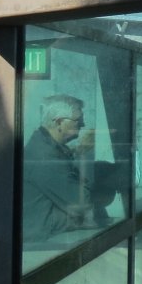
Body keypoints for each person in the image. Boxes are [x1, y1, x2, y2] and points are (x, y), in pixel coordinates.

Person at [23, 94, 108, 239]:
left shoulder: (47, 146)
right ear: (59, 122)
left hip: (50, 233)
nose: (83, 124)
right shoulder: (45, 157)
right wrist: (85, 155)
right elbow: (83, 203)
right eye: (78, 120)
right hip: (44, 241)